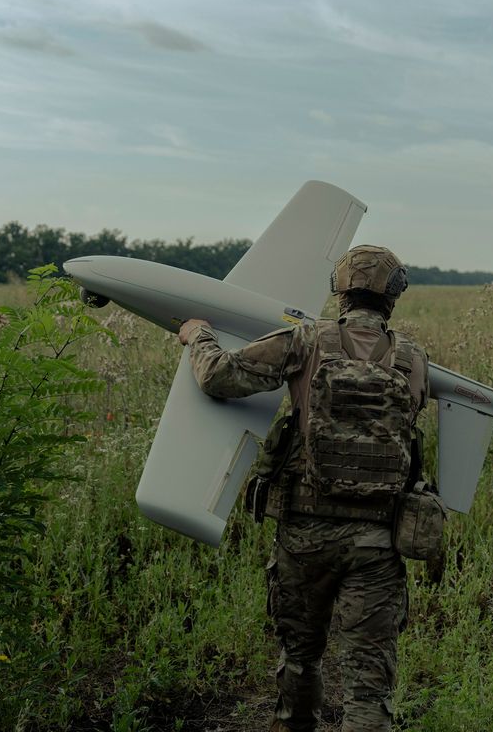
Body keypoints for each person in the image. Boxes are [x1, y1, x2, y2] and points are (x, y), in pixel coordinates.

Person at [177, 245, 430, 732]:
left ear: (338, 289)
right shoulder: (414, 361)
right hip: (379, 542)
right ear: (394, 296)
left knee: (301, 659)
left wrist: (197, 334)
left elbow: (218, 376)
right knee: (368, 682)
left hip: (305, 534)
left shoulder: (304, 342)